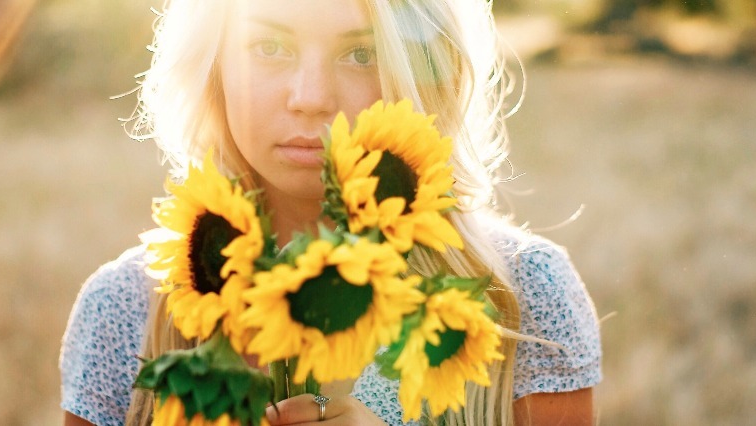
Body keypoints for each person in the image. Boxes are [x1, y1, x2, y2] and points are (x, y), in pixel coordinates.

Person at [59, 0, 602, 424]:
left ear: (430, 74)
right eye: (269, 47)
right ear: (212, 64)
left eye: (362, 53)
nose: (311, 97)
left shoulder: (522, 299)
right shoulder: (127, 309)